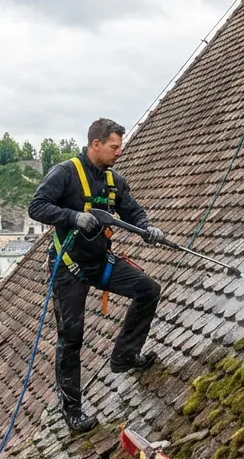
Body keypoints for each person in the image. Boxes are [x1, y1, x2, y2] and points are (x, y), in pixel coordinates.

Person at [28, 118, 165, 434]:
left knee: (148, 289)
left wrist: (148, 228)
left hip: (101, 262)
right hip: (69, 267)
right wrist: (74, 217)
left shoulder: (114, 181)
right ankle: (72, 410)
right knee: (71, 336)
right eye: (115, 147)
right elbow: (37, 207)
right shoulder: (65, 174)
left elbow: (132, 212)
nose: (120, 152)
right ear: (96, 145)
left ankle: (125, 355)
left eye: (120, 147)